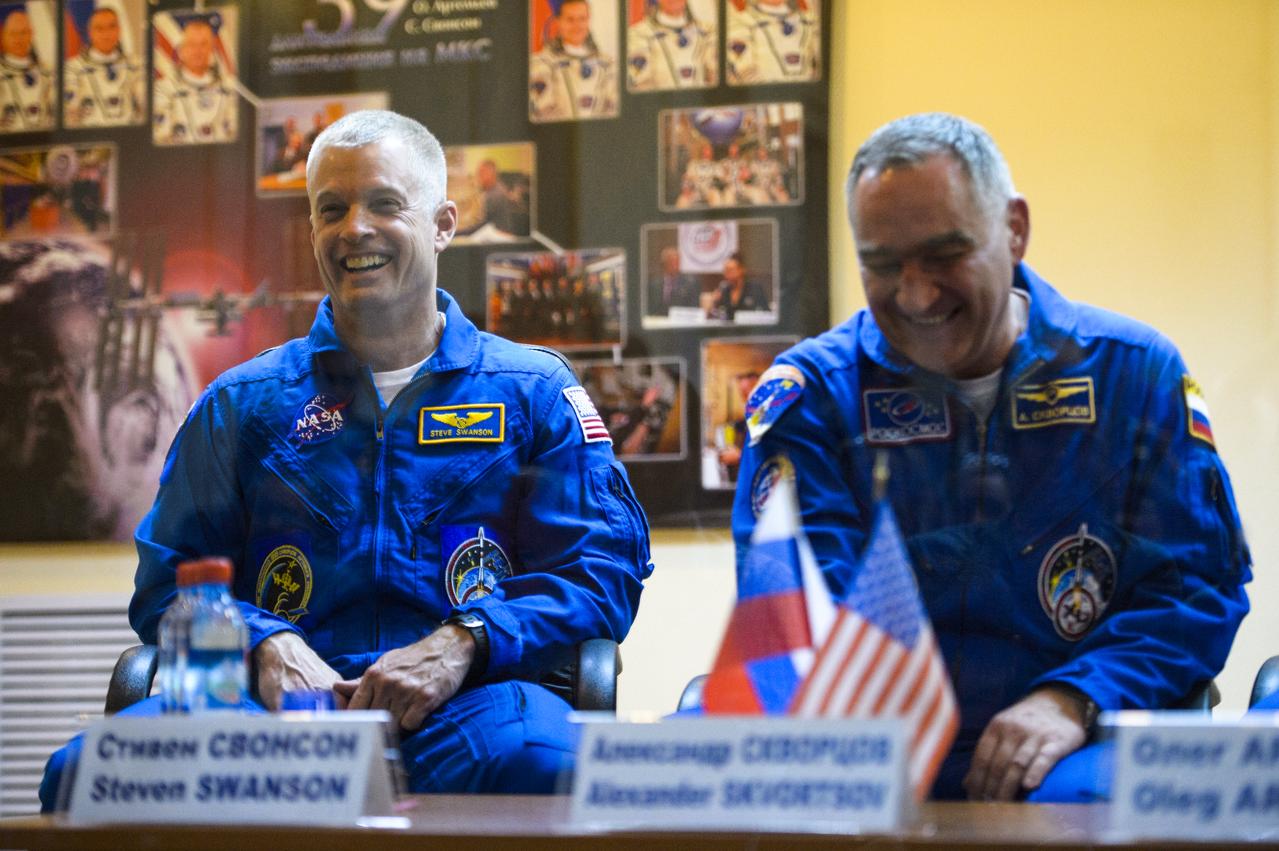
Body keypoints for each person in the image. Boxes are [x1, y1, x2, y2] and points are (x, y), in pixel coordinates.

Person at [39, 110, 653, 806]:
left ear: (443, 224)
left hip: (471, 708)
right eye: (332, 210)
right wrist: (263, 644)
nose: (355, 228)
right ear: (312, 232)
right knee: (83, 777)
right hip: (272, 718)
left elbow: (599, 572)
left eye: (385, 203)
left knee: (564, 772)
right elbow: (168, 583)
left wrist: (465, 641)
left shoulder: (533, 393)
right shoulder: (242, 405)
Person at [732, 113, 1251, 802]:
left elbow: (1194, 588)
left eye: (944, 254)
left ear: (1014, 229)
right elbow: (793, 607)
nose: (915, 294)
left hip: (1074, 741)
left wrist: (1075, 696)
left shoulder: (1132, 373)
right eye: (881, 264)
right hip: (868, 744)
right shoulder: (814, 396)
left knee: (1086, 808)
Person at [529, 0, 617, 123]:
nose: (577, 25)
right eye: (570, 19)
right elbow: (539, 111)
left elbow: (614, 107)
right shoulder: (541, 64)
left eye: (582, 19)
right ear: (558, 21)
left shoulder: (607, 63)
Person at [152, 16, 237, 145]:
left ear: (212, 49)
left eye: (204, 44)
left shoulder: (230, 87)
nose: (198, 50)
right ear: (181, 51)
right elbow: (159, 137)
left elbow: (238, 133)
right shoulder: (163, 89)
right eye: (192, 44)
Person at [63, 6, 145, 128]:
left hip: (130, 136)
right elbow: (68, 116)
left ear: (119, 30)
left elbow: (146, 107)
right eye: (99, 28)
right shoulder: (71, 69)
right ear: (90, 33)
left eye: (112, 26)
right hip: (89, 137)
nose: (107, 33)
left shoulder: (137, 65)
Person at [626, 0, 716, 92]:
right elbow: (637, 86)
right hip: (658, 100)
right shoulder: (638, 35)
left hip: (702, 100)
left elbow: (716, 79)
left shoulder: (709, 31)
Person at [725, 0, 821, 85]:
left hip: (809, 93)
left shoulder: (808, 18)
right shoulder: (741, 19)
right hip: (764, 94)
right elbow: (744, 68)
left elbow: (822, 61)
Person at [0, 8, 54, 132]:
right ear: (3, 36)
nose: (18, 38)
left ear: (31, 34)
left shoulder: (47, 71)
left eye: (23, 32)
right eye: (13, 33)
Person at [707, 252, 770, 320]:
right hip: (728, 326)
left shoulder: (755, 289)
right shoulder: (724, 290)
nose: (727, 274)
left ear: (742, 270)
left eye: (730, 270)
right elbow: (711, 317)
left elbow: (767, 314)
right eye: (725, 271)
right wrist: (714, 302)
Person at [647, 246, 700, 314]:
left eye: (677, 262)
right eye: (671, 262)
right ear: (664, 263)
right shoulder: (654, 284)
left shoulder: (690, 285)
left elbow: (694, 309)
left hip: (680, 318)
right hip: (657, 319)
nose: (675, 266)